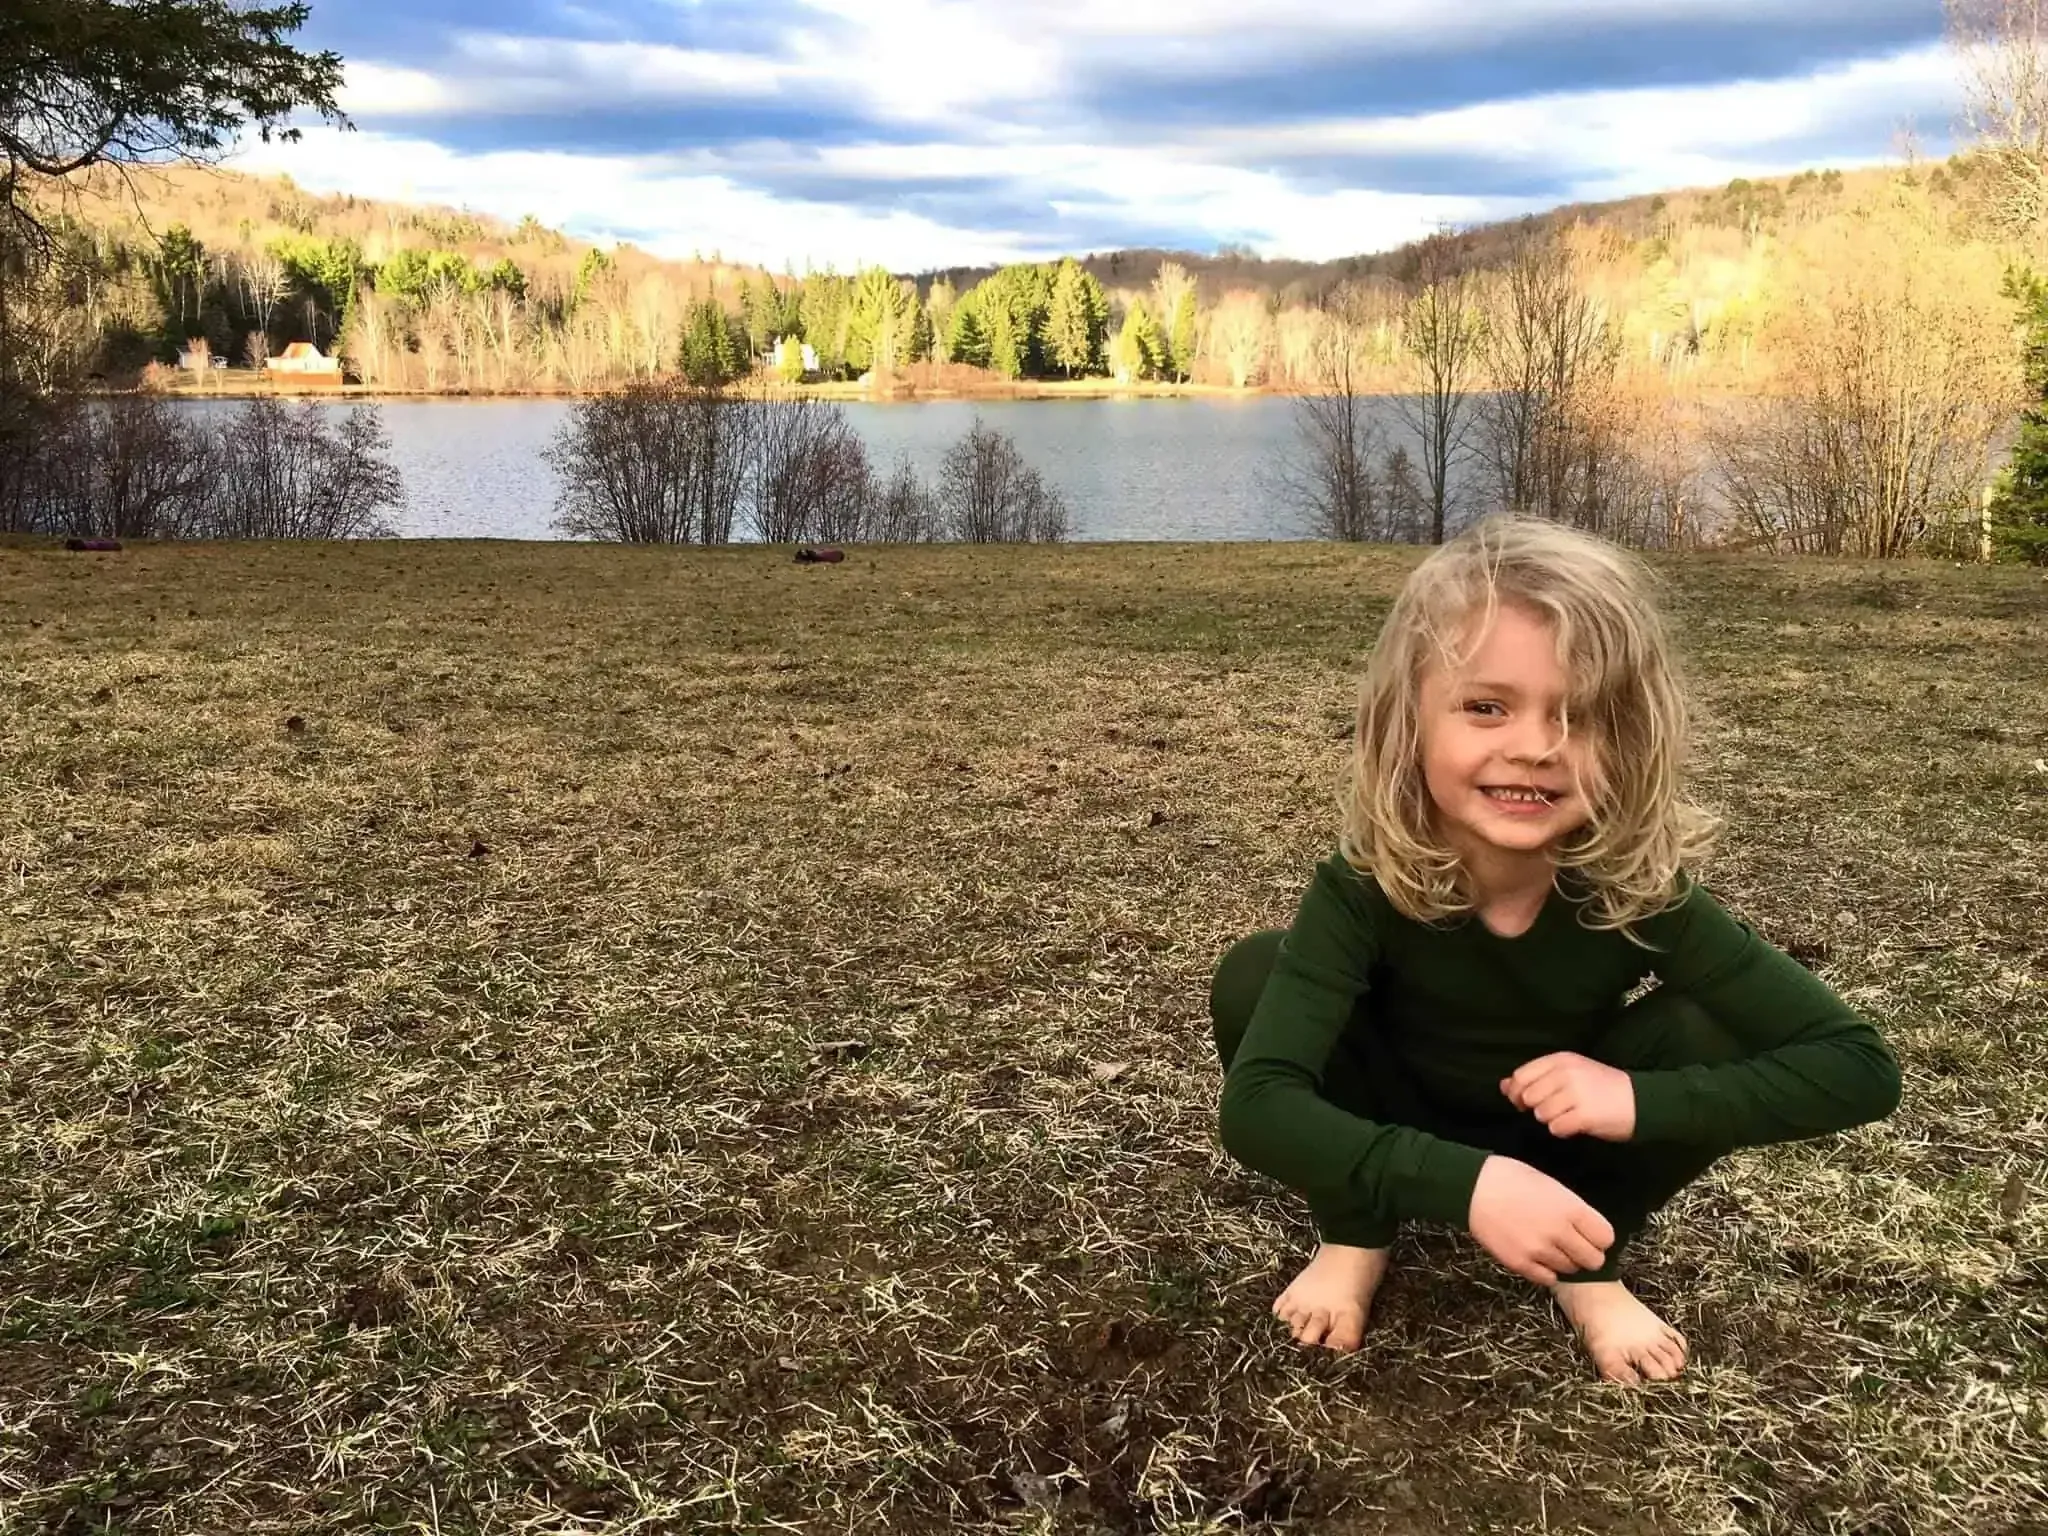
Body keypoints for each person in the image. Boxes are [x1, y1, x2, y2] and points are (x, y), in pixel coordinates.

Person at [1210, 514, 1901, 1384]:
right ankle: (1355, 1232)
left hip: (1562, 1139)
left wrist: (1636, 1100)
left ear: (1633, 740)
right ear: (1406, 722)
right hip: (1394, 1117)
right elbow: (1258, 1108)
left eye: (1580, 716)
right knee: (1255, 972)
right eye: (1486, 706)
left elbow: (1859, 1068)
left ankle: (1587, 1260)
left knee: (1710, 1024)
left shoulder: (1640, 893)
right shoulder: (1361, 888)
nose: (1536, 747)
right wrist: (1468, 1185)